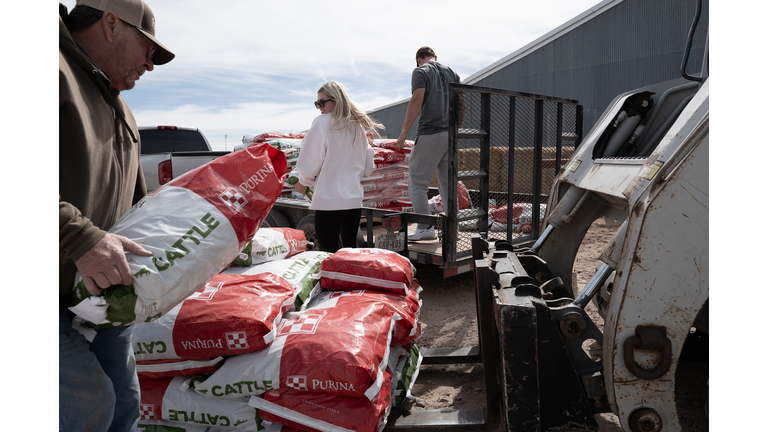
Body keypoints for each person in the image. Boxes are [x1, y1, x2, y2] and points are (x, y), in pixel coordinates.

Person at [59, 0, 174, 430]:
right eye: (148, 49)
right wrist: (81, 238)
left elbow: (138, 208)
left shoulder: (121, 107)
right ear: (110, 23)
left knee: (124, 401)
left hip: (100, 295)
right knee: (87, 403)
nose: (150, 64)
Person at [294, 82, 379, 253]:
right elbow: (368, 164)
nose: (319, 108)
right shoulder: (357, 126)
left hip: (329, 200)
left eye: (322, 102)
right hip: (353, 201)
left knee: (327, 253)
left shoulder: (322, 123)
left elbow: (310, 159)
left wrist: (304, 181)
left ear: (336, 100)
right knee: (350, 252)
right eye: (317, 103)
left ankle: (331, 280)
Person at [396, 46, 462, 241]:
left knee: (416, 182)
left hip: (430, 132)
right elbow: (461, 102)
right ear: (435, 57)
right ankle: (453, 230)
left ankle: (425, 227)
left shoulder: (420, 71)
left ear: (418, 59)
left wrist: (404, 132)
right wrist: (457, 131)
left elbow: (417, 100)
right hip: (451, 134)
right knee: (448, 184)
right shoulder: (452, 73)